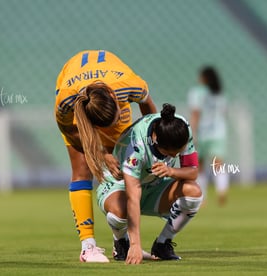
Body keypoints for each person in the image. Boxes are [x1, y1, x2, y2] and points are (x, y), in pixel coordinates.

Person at [54, 50, 157, 262]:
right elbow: (70, 133)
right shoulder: (67, 102)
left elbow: (150, 112)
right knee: (81, 167)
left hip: (110, 81)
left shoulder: (130, 85)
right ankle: (87, 247)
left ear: (114, 97)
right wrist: (101, 154)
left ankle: (122, 241)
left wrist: (153, 143)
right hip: (76, 93)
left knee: (126, 167)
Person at [96, 104, 203, 264]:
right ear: (155, 140)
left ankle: (162, 244)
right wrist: (135, 244)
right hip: (119, 187)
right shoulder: (135, 148)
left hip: (154, 187)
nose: (175, 156)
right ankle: (122, 242)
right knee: (120, 211)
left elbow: (192, 172)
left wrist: (171, 171)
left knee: (193, 192)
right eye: (170, 154)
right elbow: (133, 197)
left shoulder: (181, 127)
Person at [188, 66, 229, 206]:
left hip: (202, 132)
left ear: (204, 78)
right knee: (218, 164)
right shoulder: (219, 94)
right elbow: (224, 113)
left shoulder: (197, 92)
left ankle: (202, 197)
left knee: (200, 166)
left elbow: (196, 113)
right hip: (218, 132)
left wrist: (192, 132)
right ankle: (222, 190)